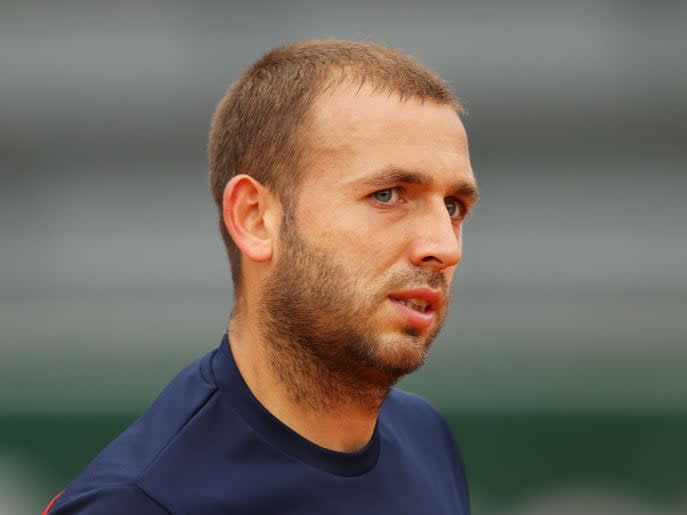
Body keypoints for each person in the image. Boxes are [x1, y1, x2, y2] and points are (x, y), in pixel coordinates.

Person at [44, 39, 479, 515]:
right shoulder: (137, 503)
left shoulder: (425, 438)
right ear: (255, 218)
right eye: (388, 195)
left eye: (453, 206)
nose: (444, 246)